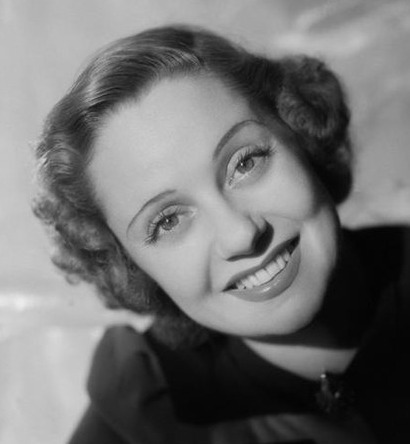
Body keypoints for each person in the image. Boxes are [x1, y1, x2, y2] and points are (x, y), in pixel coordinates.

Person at [33, 25, 410, 444]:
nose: (240, 235)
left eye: (246, 163)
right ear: (127, 264)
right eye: (167, 221)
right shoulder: (141, 417)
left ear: (300, 133)